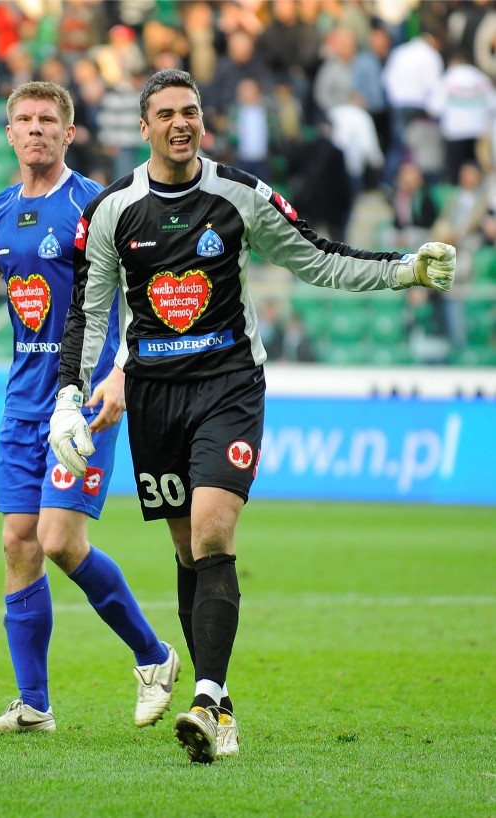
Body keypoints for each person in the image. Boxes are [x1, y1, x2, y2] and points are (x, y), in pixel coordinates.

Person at [48, 68, 456, 764]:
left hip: (229, 386)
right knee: (186, 552)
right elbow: (89, 315)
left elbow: (319, 260)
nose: (182, 123)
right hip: (153, 397)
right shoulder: (114, 210)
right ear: (143, 128)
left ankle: (204, 698)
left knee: (211, 533)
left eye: (192, 111)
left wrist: (404, 268)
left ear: (204, 121)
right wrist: (67, 395)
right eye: (167, 114)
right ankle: (222, 705)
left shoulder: (240, 195)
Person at [0, 80, 179, 735]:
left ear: (69, 134)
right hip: (22, 405)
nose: (36, 129)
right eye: (25, 120)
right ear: (9, 134)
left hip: (85, 401)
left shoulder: (96, 207)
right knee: (18, 542)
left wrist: (122, 375)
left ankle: (154, 658)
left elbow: (142, 300)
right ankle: (33, 704)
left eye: (48, 120)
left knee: (60, 539)